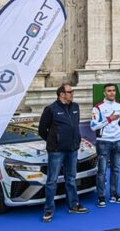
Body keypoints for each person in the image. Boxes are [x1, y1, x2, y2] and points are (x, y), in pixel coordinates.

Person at [38, 83, 87, 222]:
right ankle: (48, 210)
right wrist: (54, 143)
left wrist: (76, 142)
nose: (73, 93)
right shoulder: (50, 109)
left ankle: (74, 205)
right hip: (56, 151)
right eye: (70, 91)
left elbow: (75, 126)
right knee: (51, 181)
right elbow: (42, 130)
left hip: (72, 149)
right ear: (62, 94)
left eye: (72, 91)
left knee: (71, 179)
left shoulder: (75, 107)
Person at [90, 83, 120, 207]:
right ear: (104, 93)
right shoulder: (98, 107)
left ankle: (114, 194)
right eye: (109, 91)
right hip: (103, 142)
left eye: (113, 90)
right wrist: (109, 119)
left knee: (116, 169)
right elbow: (93, 126)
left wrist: (119, 136)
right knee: (102, 171)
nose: (112, 93)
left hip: (117, 141)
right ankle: (101, 197)